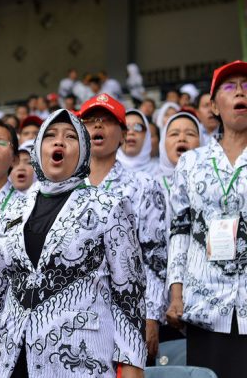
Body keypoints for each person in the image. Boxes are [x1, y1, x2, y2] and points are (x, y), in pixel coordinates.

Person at [0, 109, 146, 377]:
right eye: (50, 135)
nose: (58, 142)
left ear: (84, 150)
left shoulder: (108, 206)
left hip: (80, 358)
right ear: (38, 148)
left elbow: (129, 293)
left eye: (70, 136)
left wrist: (132, 365)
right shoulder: (12, 210)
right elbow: (0, 286)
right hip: (13, 356)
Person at [166, 61, 247, 377]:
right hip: (205, 301)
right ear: (213, 105)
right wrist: (176, 293)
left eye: (245, 85)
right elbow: (179, 229)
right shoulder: (191, 162)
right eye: (230, 86)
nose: (240, 91)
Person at [78, 93, 167, 363]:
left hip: (125, 316)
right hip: (72, 319)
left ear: (123, 134)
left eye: (107, 121)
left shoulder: (144, 186)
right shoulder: (64, 188)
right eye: (91, 121)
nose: (98, 127)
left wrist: (151, 315)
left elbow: (155, 257)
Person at [116, 109, 158, 175]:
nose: (131, 132)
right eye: (125, 127)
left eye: (138, 127)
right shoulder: (104, 170)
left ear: (146, 136)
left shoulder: (160, 173)